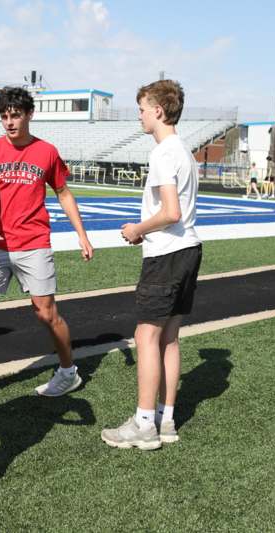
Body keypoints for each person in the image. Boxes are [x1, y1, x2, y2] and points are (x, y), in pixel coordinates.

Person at [0, 86, 94, 409]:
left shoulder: (46, 152)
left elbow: (63, 193)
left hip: (34, 243)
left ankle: (68, 371)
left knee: (46, 313)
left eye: (15, 115)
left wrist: (82, 235)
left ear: (29, 114)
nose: (9, 122)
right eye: (4, 116)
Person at [101, 80, 202, 451]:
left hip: (166, 254)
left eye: (142, 108)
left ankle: (144, 422)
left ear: (158, 110)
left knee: (146, 336)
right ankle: (167, 418)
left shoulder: (162, 153)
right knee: (170, 338)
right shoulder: (185, 152)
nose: (139, 115)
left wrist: (137, 229)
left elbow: (170, 212)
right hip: (189, 249)